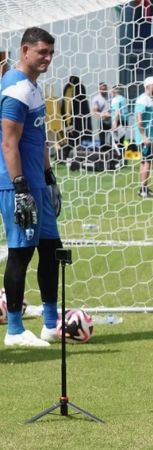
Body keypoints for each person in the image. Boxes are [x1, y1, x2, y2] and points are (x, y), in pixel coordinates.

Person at [0, 27, 63, 347]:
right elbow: (8, 144)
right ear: (25, 51)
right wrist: (21, 187)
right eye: (42, 53)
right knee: (21, 253)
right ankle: (14, 330)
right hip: (17, 186)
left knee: (51, 250)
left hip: (38, 183)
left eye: (51, 53)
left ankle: (51, 324)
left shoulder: (34, 88)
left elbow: (39, 140)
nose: (48, 59)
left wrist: (50, 179)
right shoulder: (15, 89)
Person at [134, 76, 153, 198]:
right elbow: (139, 119)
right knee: (147, 162)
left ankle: (143, 188)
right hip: (146, 138)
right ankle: (143, 191)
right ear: (147, 86)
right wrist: (144, 137)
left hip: (151, 136)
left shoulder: (149, 99)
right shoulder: (143, 99)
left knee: (145, 162)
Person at [91, 82, 111, 147]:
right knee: (102, 140)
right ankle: (103, 152)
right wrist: (102, 115)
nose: (103, 90)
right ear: (99, 89)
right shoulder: (96, 99)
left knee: (114, 139)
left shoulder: (111, 96)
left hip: (113, 120)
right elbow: (95, 111)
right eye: (102, 89)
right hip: (103, 121)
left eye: (105, 89)